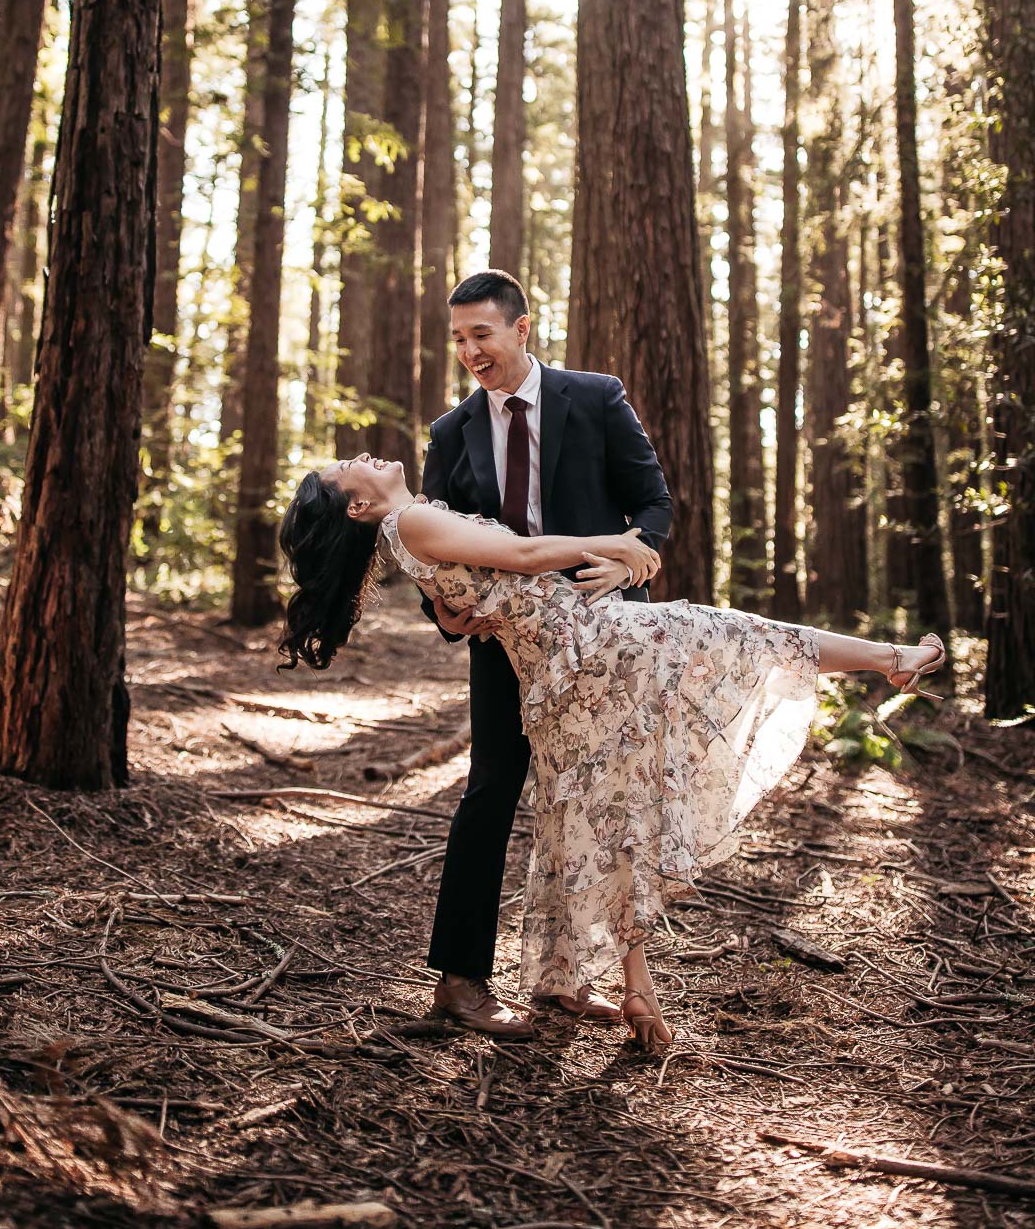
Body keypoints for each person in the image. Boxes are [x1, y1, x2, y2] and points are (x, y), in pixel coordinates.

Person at [277, 456, 945, 1051]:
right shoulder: (414, 519)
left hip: (556, 668)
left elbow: (459, 605)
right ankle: (892, 659)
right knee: (742, 636)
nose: (360, 455)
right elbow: (531, 554)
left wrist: (463, 614)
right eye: (347, 466)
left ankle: (613, 979)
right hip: (592, 641)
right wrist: (619, 544)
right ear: (358, 505)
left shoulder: (409, 533)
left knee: (598, 811)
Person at [415, 270, 672, 1037]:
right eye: (458, 338)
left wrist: (633, 558)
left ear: (522, 329)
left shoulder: (594, 397)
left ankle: (564, 979)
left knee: (593, 802)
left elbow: (653, 501)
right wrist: (445, 613)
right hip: (504, 645)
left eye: (481, 334)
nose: (469, 351)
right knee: (492, 791)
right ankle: (459, 981)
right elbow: (433, 554)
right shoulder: (448, 432)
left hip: (601, 638)